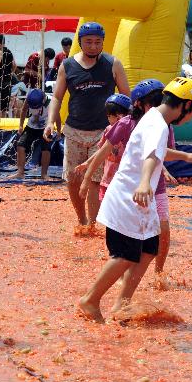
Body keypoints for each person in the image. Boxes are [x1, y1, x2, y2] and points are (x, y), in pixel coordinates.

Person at [78, 77, 192, 323]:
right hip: (130, 197)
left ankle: (122, 304)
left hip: (140, 199)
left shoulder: (154, 119)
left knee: (149, 249)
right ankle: (90, 300)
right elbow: (151, 156)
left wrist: (187, 156)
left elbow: (157, 150)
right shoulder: (158, 125)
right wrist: (143, 182)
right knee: (125, 255)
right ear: (185, 106)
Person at [77, 80, 184, 283]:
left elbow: (159, 153)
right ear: (139, 105)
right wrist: (87, 177)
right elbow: (104, 151)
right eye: (152, 103)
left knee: (160, 234)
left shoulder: (164, 125)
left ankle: (158, 274)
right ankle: (120, 277)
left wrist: (181, 160)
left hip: (154, 188)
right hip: (127, 188)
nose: (157, 108)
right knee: (126, 242)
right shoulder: (127, 124)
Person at [43, 21, 131, 236]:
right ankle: (81, 218)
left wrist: (125, 128)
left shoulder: (113, 64)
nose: (93, 46)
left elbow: (127, 97)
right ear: (80, 42)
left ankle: (92, 224)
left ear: (103, 43)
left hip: (104, 133)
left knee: (93, 180)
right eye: (88, 42)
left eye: (97, 42)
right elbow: (57, 97)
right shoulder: (68, 65)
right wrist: (49, 122)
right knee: (73, 180)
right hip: (73, 131)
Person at [11, 88, 53, 180]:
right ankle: (20, 172)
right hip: (31, 126)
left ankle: (44, 174)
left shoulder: (50, 102)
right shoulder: (29, 98)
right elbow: (23, 110)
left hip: (45, 128)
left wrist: (56, 129)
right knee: (20, 145)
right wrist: (21, 126)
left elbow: (56, 116)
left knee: (46, 149)